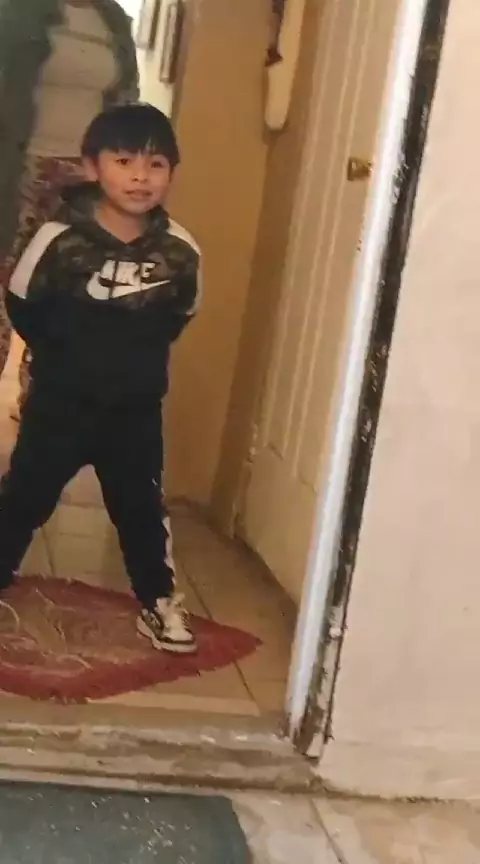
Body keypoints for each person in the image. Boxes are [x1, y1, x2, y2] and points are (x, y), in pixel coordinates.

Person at [2, 103, 200, 654]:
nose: (140, 177)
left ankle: (158, 600)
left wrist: (131, 358)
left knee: (141, 508)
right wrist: (64, 355)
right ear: (92, 167)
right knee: (25, 497)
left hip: (134, 410)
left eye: (155, 164)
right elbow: (23, 301)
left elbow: (182, 311)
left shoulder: (179, 251)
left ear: (171, 171)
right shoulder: (58, 239)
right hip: (61, 403)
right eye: (124, 161)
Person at [0, 0, 139, 417]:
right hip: (20, 174)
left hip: (84, 184)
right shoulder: (18, 11)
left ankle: (38, 418)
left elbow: (125, 104)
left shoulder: (112, 20)